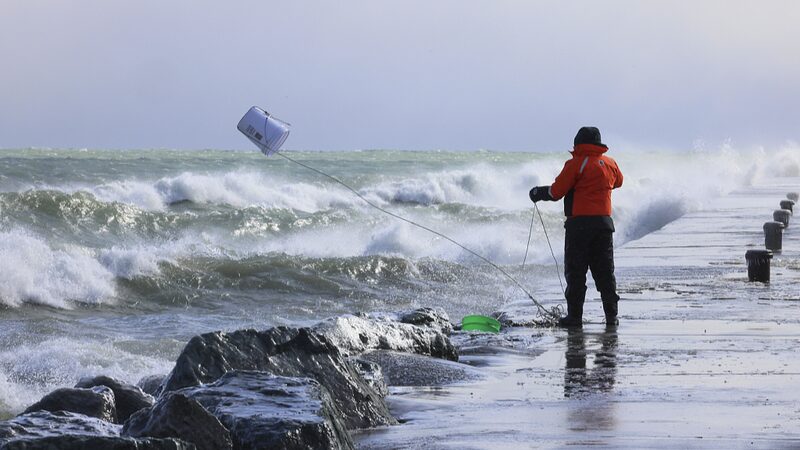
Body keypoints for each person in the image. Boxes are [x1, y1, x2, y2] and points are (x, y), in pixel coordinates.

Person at [529, 126, 623, 327]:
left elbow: (556, 192)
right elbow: (618, 182)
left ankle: (574, 318)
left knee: (576, 272)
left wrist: (537, 192)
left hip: (579, 227)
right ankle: (611, 317)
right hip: (604, 226)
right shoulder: (610, 163)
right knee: (605, 272)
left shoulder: (576, 164)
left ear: (578, 144)